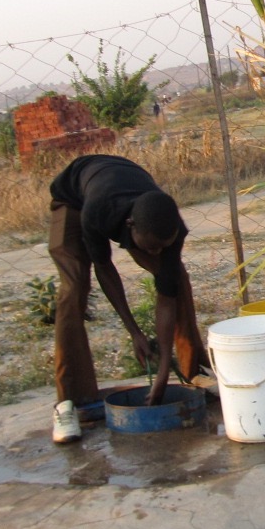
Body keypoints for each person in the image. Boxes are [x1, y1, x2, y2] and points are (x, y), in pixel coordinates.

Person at [47, 153, 207, 443]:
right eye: (151, 247)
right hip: (73, 199)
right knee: (73, 288)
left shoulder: (170, 227)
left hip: (126, 192)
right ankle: (67, 403)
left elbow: (166, 294)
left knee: (176, 278)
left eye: (164, 247)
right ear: (130, 226)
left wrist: (161, 371)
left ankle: (194, 374)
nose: (156, 253)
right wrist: (134, 332)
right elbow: (104, 269)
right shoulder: (98, 212)